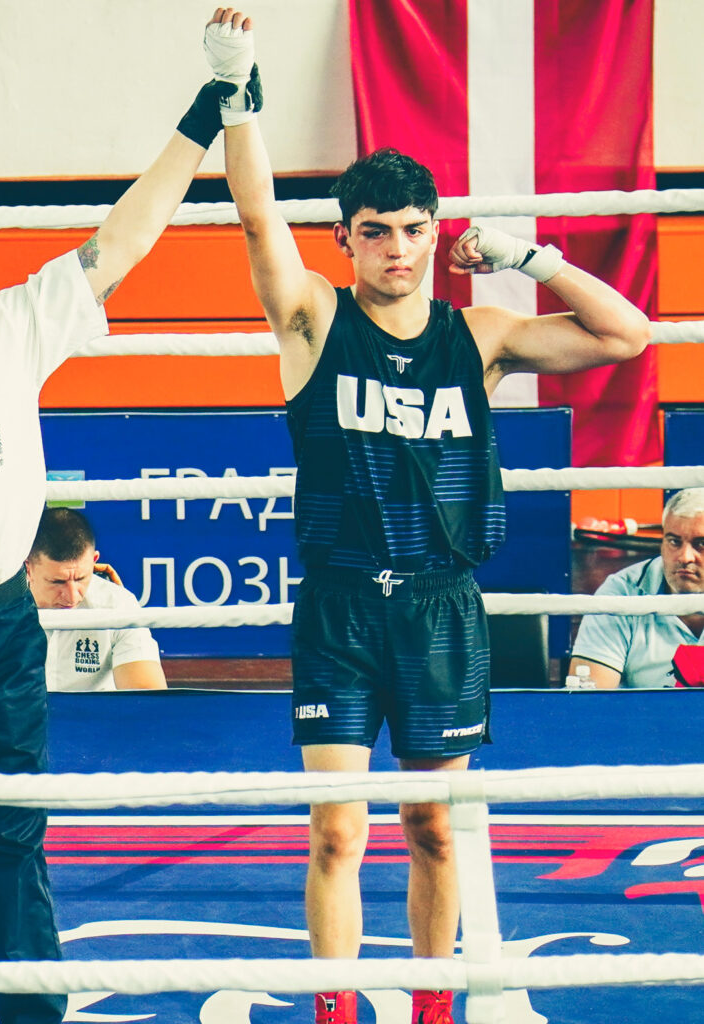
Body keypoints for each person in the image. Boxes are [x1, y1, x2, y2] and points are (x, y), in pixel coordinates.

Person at [206, 8, 651, 1023]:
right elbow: (258, 221)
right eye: (376, 231)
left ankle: (432, 1006)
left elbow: (625, 336)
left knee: (434, 828)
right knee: (336, 830)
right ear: (346, 239)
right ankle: (333, 1008)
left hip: (441, 608)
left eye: (414, 229)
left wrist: (530, 256)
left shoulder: (479, 336)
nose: (397, 249)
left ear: (437, 231)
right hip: (340, 606)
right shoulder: (314, 320)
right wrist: (237, 101)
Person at [0, 63, 236, 1024]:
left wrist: (205, 113)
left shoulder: (10, 328)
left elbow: (123, 239)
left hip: (0, 629)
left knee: (12, 846)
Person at [569, 488, 704, 688]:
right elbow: (591, 699)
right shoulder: (621, 593)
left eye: (701, 544)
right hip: (642, 710)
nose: (685, 557)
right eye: (674, 542)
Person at [26, 507, 166, 691]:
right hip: (21, 710)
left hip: (94, 711)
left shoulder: (117, 604)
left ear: (94, 560)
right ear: (28, 568)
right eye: (58, 581)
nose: (72, 596)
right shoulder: (0, 605)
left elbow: (145, 696)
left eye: (81, 578)